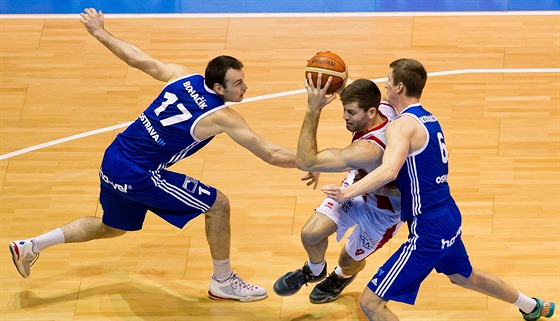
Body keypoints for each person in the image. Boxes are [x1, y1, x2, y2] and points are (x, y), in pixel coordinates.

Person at [8, 8, 318, 303]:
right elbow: (271, 154)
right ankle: (223, 282)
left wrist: (100, 32)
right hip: (140, 173)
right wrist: (313, 162)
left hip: (114, 157)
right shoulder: (223, 116)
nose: (245, 87)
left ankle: (31, 245)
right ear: (217, 87)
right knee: (218, 205)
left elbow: (137, 58)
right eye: (238, 83)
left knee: (113, 227)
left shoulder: (183, 77)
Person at [321, 58, 555, 320]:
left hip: (428, 228)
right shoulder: (427, 118)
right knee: (466, 277)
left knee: (371, 303)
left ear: (399, 87)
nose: (384, 85)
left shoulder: (402, 125)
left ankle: (530, 305)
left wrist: (347, 192)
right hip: (448, 215)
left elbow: (389, 170)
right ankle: (531, 305)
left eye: (388, 81)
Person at [273, 74, 402, 304]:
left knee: (347, 260)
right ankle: (314, 270)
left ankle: (341, 276)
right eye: (345, 109)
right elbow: (345, 80)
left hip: (384, 211)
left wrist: (313, 109)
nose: (345, 117)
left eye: (351, 113)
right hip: (358, 186)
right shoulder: (382, 107)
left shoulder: (369, 149)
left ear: (370, 113)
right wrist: (326, 70)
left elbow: (305, 161)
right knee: (310, 234)